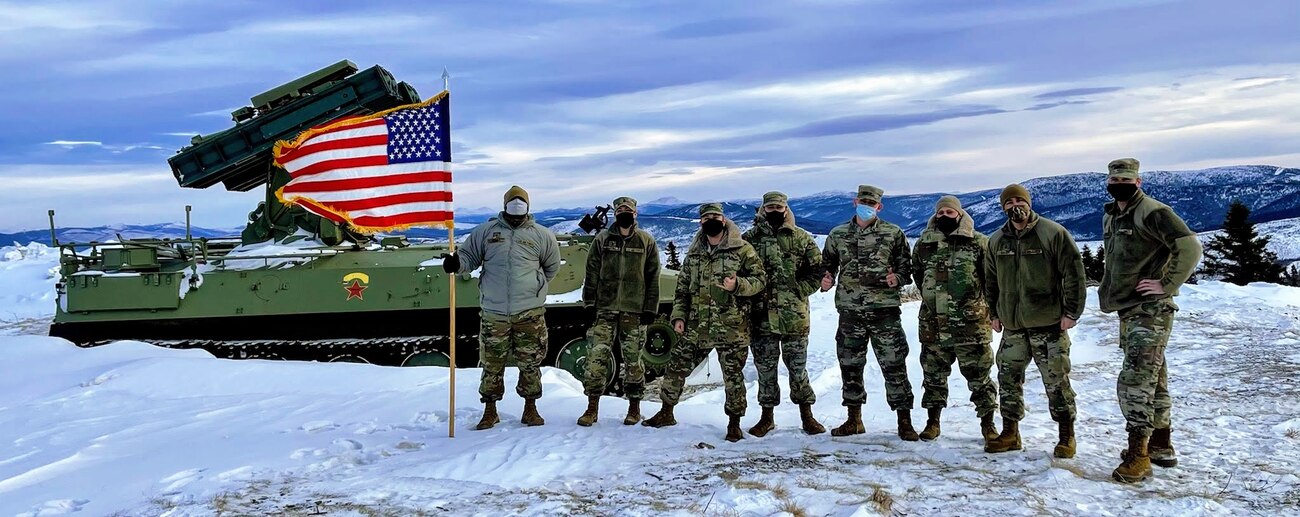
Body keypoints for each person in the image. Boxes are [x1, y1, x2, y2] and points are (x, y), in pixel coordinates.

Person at [1098, 158, 1203, 483]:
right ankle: (1160, 444)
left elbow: (1190, 247)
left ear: (1138, 182)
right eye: (1115, 179)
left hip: (1150, 311)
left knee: (1135, 382)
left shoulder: (1153, 211)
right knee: (1155, 378)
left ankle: (1138, 455)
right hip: (1130, 309)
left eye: (1126, 179)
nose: (1120, 184)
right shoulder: (1113, 214)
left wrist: (1166, 284)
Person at [643, 203, 767, 442]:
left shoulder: (742, 250)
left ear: (723, 219)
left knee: (733, 376)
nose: (711, 219)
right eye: (706, 217)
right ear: (701, 222)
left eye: (715, 216)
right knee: (676, 366)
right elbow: (682, 290)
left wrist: (738, 285)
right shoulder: (695, 254)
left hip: (731, 327)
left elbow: (760, 280)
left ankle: (734, 423)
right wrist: (679, 316)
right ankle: (666, 412)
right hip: (697, 325)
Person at [441, 185, 561, 430]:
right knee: (491, 363)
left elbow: (552, 267)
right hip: (494, 312)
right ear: (505, 205)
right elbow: (469, 258)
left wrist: (534, 286)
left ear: (528, 207)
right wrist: (456, 263)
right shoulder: (486, 232)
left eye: (521, 205)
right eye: (513, 204)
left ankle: (530, 408)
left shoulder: (541, 234)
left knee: (530, 362)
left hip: (529, 311)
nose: (517, 210)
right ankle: (490, 410)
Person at [983, 184, 1086, 457]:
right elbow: (990, 281)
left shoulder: (1052, 233)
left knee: (1056, 381)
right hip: (1014, 326)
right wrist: (993, 313)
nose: (1014, 205)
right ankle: (1010, 433)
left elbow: (1074, 274)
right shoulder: (996, 241)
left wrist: (1072, 312)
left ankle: (1066, 436)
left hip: (1049, 324)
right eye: (1009, 202)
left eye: (1019, 200)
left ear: (1029, 203)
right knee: (1008, 379)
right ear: (1003, 207)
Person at [820, 185, 918, 441]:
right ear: (855, 202)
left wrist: (897, 278)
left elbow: (906, 270)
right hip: (850, 312)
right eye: (863, 200)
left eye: (871, 202)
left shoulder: (893, 234)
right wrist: (826, 278)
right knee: (850, 366)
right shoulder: (838, 234)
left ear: (879, 206)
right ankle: (854, 420)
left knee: (894, 365)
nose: (867, 205)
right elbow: (826, 266)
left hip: (883, 311)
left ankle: (904, 421)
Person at [911, 195, 998, 444]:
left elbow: (991, 280)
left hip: (970, 324)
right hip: (933, 323)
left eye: (950, 213)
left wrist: (991, 310)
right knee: (933, 376)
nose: (944, 217)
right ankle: (932, 422)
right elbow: (918, 273)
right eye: (940, 213)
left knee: (980, 377)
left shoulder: (979, 243)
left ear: (959, 214)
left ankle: (988, 424)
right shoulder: (924, 244)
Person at [741, 191, 826, 436]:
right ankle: (766, 418)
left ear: (786, 209)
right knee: (765, 370)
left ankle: (807, 416)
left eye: (779, 207)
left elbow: (818, 270)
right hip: (761, 317)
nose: (775, 211)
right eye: (770, 208)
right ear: (763, 209)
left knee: (798, 369)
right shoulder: (750, 240)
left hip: (794, 317)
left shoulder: (801, 239)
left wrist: (801, 290)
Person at [577, 196, 661, 427]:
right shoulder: (603, 239)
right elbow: (591, 271)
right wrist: (589, 303)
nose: (624, 213)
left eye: (629, 210)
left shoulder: (646, 241)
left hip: (634, 311)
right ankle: (592, 407)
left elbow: (653, 276)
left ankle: (634, 408)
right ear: (615, 213)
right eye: (620, 210)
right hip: (605, 309)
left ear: (635, 214)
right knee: (596, 359)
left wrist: (650, 308)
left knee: (634, 361)